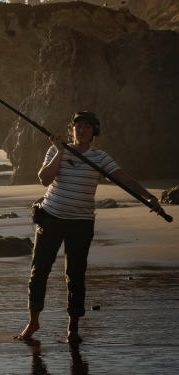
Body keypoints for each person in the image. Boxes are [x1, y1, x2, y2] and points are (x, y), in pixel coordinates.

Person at [17, 111, 165, 342]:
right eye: (78, 126)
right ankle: (33, 322)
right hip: (51, 217)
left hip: (81, 223)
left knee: (75, 275)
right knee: (39, 272)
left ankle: (72, 329)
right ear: (71, 129)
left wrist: (149, 197)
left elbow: (125, 180)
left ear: (94, 131)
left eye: (87, 127)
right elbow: (45, 179)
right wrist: (59, 152)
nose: (82, 130)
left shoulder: (100, 158)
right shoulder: (56, 150)